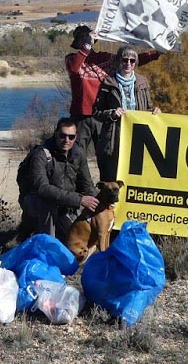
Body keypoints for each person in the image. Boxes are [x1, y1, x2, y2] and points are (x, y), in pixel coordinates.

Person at [65, 25, 157, 167]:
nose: (86, 40)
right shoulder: (72, 59)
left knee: (105, 156)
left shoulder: (104, 58)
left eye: (88, 37)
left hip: (103, 115)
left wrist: (157, 53)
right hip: (81, 115)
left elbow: (130, 60)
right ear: (77, 42)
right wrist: (87, 46)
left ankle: (106, 186)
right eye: (83, 38)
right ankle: (75, 187)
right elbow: (74, 68)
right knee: (76, 156)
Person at [18, 117, 98, 240]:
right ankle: (45, 245)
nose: (66, 140)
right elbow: (42, 188)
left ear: (76, 137)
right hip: (37, 202)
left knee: (75, 238)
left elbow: (87, 185)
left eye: (71, 137)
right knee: (47, 205)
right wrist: (79, 200)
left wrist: (97, 205)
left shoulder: (78, 154)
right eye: (63, 136)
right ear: (56, 134)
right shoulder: (41, 154)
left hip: (65, 205)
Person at [91, 46, 162, 180]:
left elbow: (147, 108)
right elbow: (96, 112)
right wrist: (112, 114)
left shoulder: (142, 82)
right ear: (118, 61)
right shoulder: (108, 82)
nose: (128, 64)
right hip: (114, 137)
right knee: (112, 177)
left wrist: (154, 111)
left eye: (132, 60)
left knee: (135, 177)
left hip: (138, 136)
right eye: (125, 60)